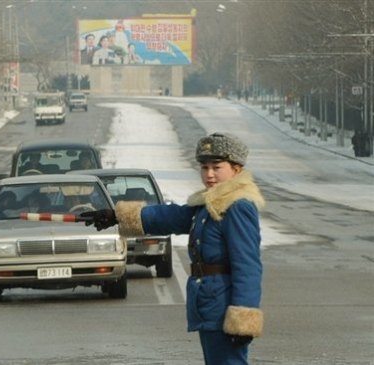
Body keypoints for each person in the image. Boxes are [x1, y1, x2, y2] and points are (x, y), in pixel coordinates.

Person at [82, 133, 265, 365]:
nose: (209, 174)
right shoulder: (208, 204)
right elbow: (171, 216)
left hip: (223, 305)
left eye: (217, 167)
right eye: (204, 167)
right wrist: (117, 216)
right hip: (210, 304)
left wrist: (244, 317)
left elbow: (248, 266)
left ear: (236, 170)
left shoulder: (237, 206)